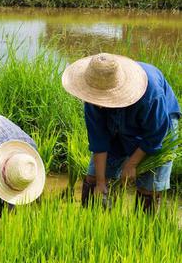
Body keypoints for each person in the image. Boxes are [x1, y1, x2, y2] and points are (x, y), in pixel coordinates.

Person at [62, 53, 180, 213]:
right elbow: (99, 140)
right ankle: (93, 224)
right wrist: (101, 183)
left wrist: (131, 164)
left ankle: (144, 229)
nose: (99, 104)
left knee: (148, 187)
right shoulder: (92, 95)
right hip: (120, 123)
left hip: (158, 125)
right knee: (93, 180)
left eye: (102, 99)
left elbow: (155, 134)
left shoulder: (149, 94)